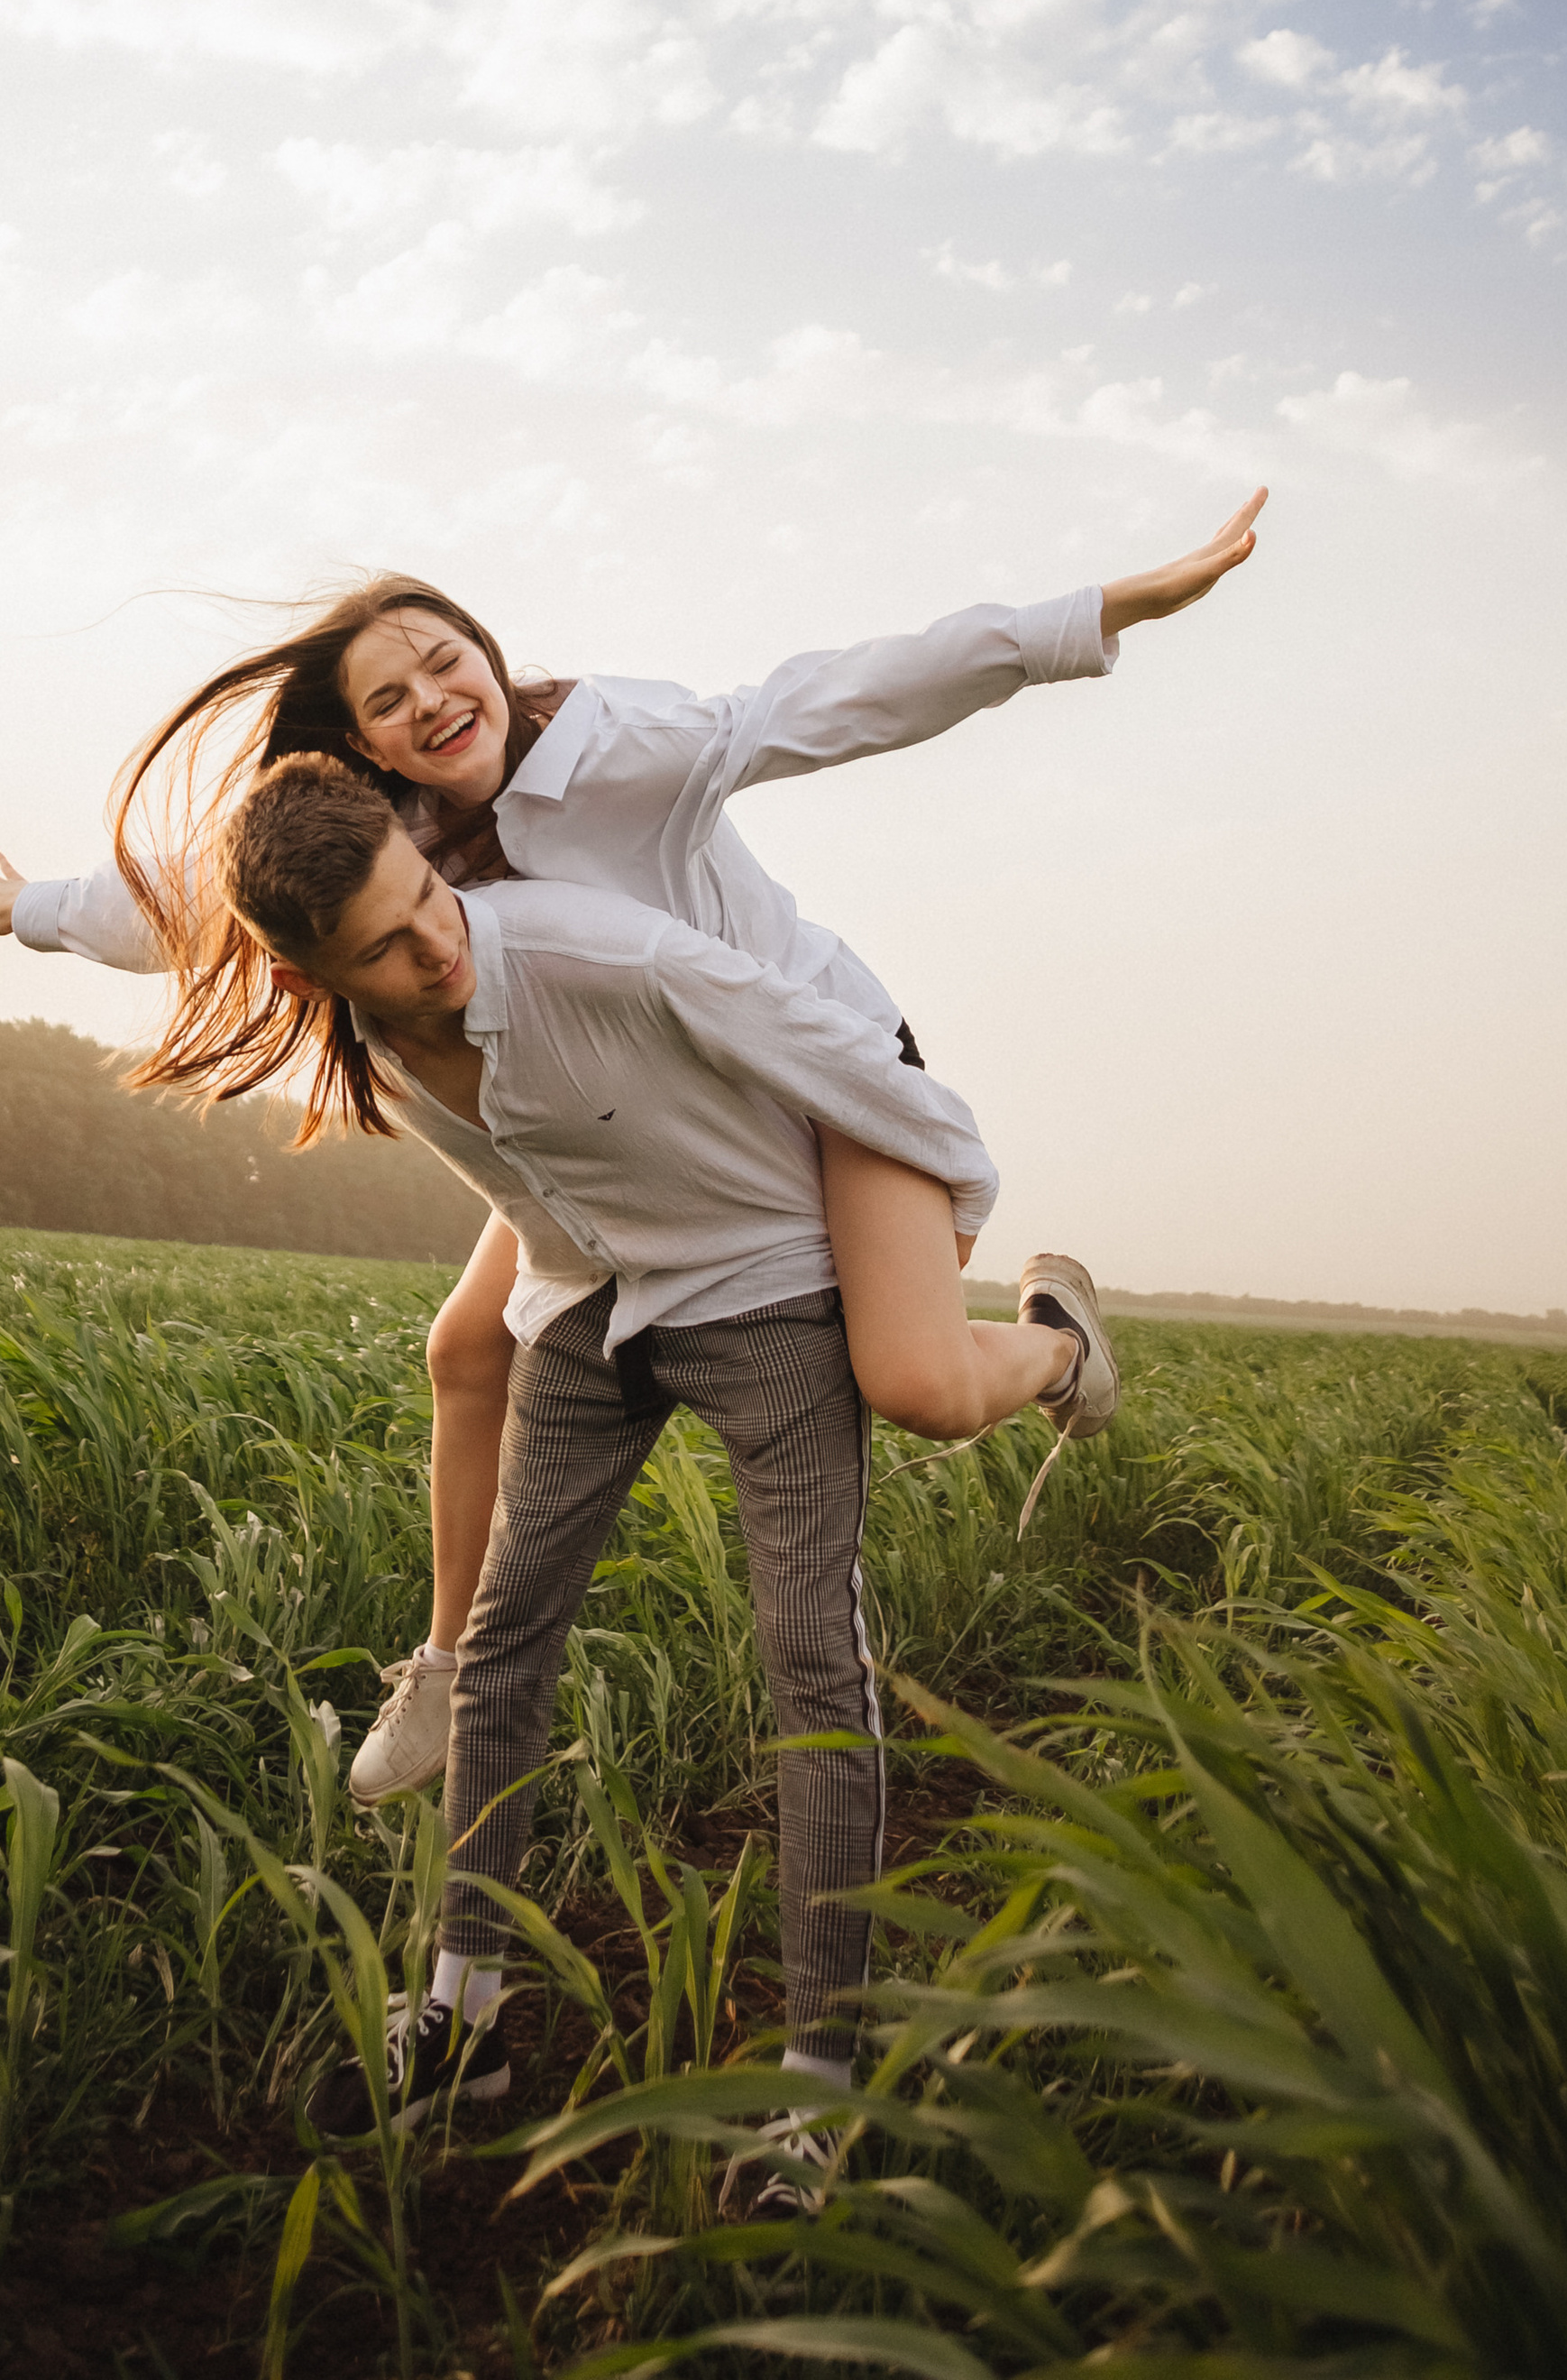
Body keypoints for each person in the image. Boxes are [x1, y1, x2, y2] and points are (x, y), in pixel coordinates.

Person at [0, 493, 1263, 1801]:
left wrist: (1089, 617)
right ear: (361, 741)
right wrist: (33, 907)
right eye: (388, 702)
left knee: (917, 1380)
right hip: (638, 1120)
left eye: (446, 663)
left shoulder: (624, 744)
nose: (432, 706)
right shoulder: (400, 835)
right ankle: (450, 1667)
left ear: (487, 656)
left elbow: (837, 695)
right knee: (465, 1345)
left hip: (816, 1068)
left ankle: (1059, 1345)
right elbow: (221, 914)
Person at [204, 749, 1117, 2173]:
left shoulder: (597, 949)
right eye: (385, 943)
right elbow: (169, 924)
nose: (434, 938)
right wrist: (37, 905)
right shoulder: (367, 1034)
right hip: (584, 1305)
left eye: (427, 897)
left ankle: (826, 2083)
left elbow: (828, 1046)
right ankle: (466, 2024)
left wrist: (956, 1208)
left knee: (813, 1659)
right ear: (321, 975)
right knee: (501, 1648)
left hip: (762, 1295)